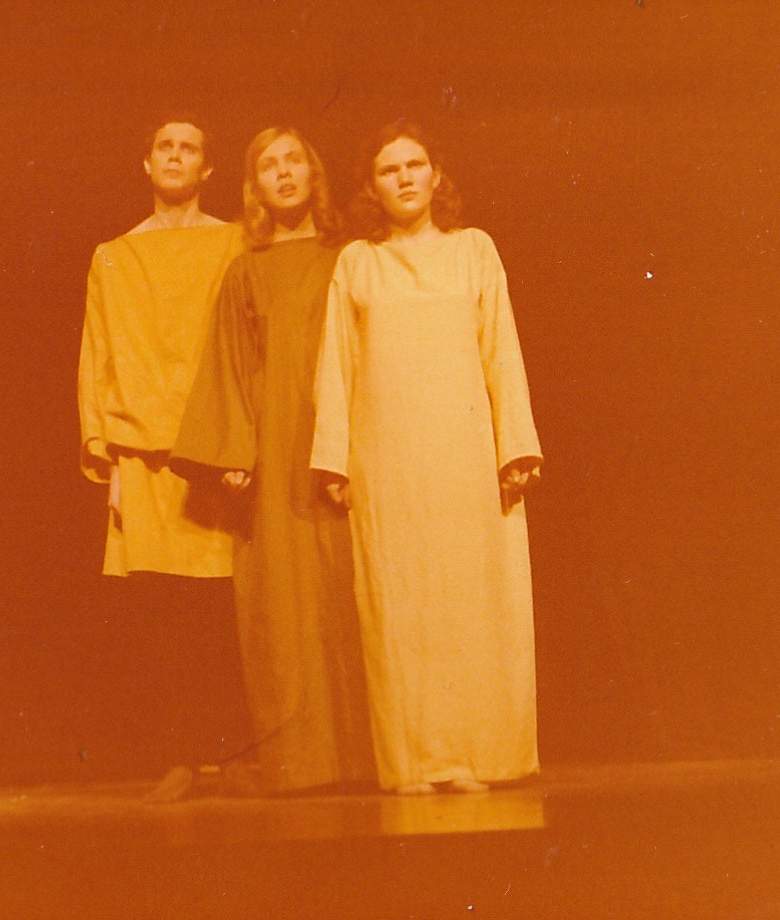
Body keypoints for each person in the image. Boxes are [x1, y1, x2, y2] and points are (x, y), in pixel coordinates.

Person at [310, 120, 543, 795]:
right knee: (402, 605)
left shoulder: (474, 250)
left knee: (471, 601)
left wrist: (515, 445)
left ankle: (484, 756)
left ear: (436, 174)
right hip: (389, 462)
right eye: (389, 170)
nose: (405, 178)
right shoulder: (358, 263)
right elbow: (337, 366)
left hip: (464, 455)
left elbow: (501, 349)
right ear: (372, 187)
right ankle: (416, 762)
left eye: (415, 164)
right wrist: (334, 459)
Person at [171, 127, 375, 794]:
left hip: (356, 446)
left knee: (357, 591)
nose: (283, 173)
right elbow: (231, 364)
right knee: (286, 608)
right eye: (268, 165)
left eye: (294, 161)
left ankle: (374, 756)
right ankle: (304, 762)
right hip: (279, 456)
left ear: (314, 174)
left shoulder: (353, 258)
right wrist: (232, 451)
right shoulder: (247, 271)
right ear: (254, 186)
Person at [77, 116, 247, 801]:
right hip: (145, 454)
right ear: (146, 163)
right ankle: (180, 756)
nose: (176, 157)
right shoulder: (114, 256)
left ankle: (233, 754)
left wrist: (242, 439)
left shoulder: (234, 242)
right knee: (163, 610)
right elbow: (97, 355)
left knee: (225, 604)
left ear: (208, 169)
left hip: (217, 446)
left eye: (190, 148)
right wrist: (107, 457)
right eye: (165, 147)